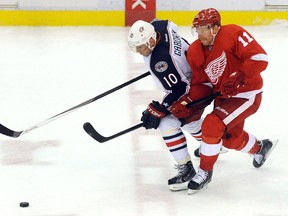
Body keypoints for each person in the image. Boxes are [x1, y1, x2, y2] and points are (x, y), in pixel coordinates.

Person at [169, 8, 277, 194]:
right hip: (224, 97)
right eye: (197, 29)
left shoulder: (233, 33)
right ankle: (260, 148)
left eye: (205, 28)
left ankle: (204, 172)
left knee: (212, 125)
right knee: (229, 139)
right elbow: (202, 84)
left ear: (216, 27)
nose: (200, 33)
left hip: (246, 93)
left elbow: (260, 58)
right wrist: (189, 102)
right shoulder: (195, 51)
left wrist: (240, 76)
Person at [127, 19, 213, 191]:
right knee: (191, 121)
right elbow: (170, 24)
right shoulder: (160, 26)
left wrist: (161, 108)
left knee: (167, 122)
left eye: (142, 47)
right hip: (198, 73)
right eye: (136, 47)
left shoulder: (162, 62)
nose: (139, 51)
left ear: (152, 40)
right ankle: (212, 142)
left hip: (196, 86)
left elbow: (180, 88)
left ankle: (187, 168)